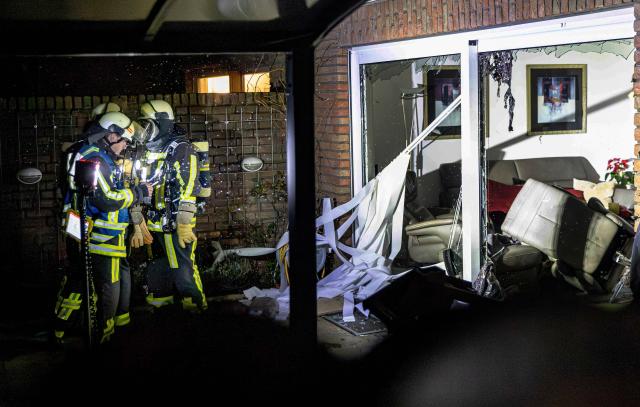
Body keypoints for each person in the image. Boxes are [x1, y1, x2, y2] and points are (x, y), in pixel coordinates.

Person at [54, 111, 153, 344]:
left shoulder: (88, 152)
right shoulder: (96, 158)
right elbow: (106, 199)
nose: (126, 145)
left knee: (79, 281)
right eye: (124, 140)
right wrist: (139, 193)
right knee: (108, 287)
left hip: (83, 230)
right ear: (110, 135)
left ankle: (60, 327)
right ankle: (104, 338)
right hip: (101, 235)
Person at [137, 100, 208, 312]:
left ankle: (195, 310)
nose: (145, 131)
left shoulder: (181, 149)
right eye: (144, 125)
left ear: (162, 124)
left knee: (183, 270)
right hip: (155, 224)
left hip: (177, 225)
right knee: (158, 270)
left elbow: (188, 188)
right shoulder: (148, 151)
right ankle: (161, 313)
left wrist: (184, 223)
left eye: (149, 125)